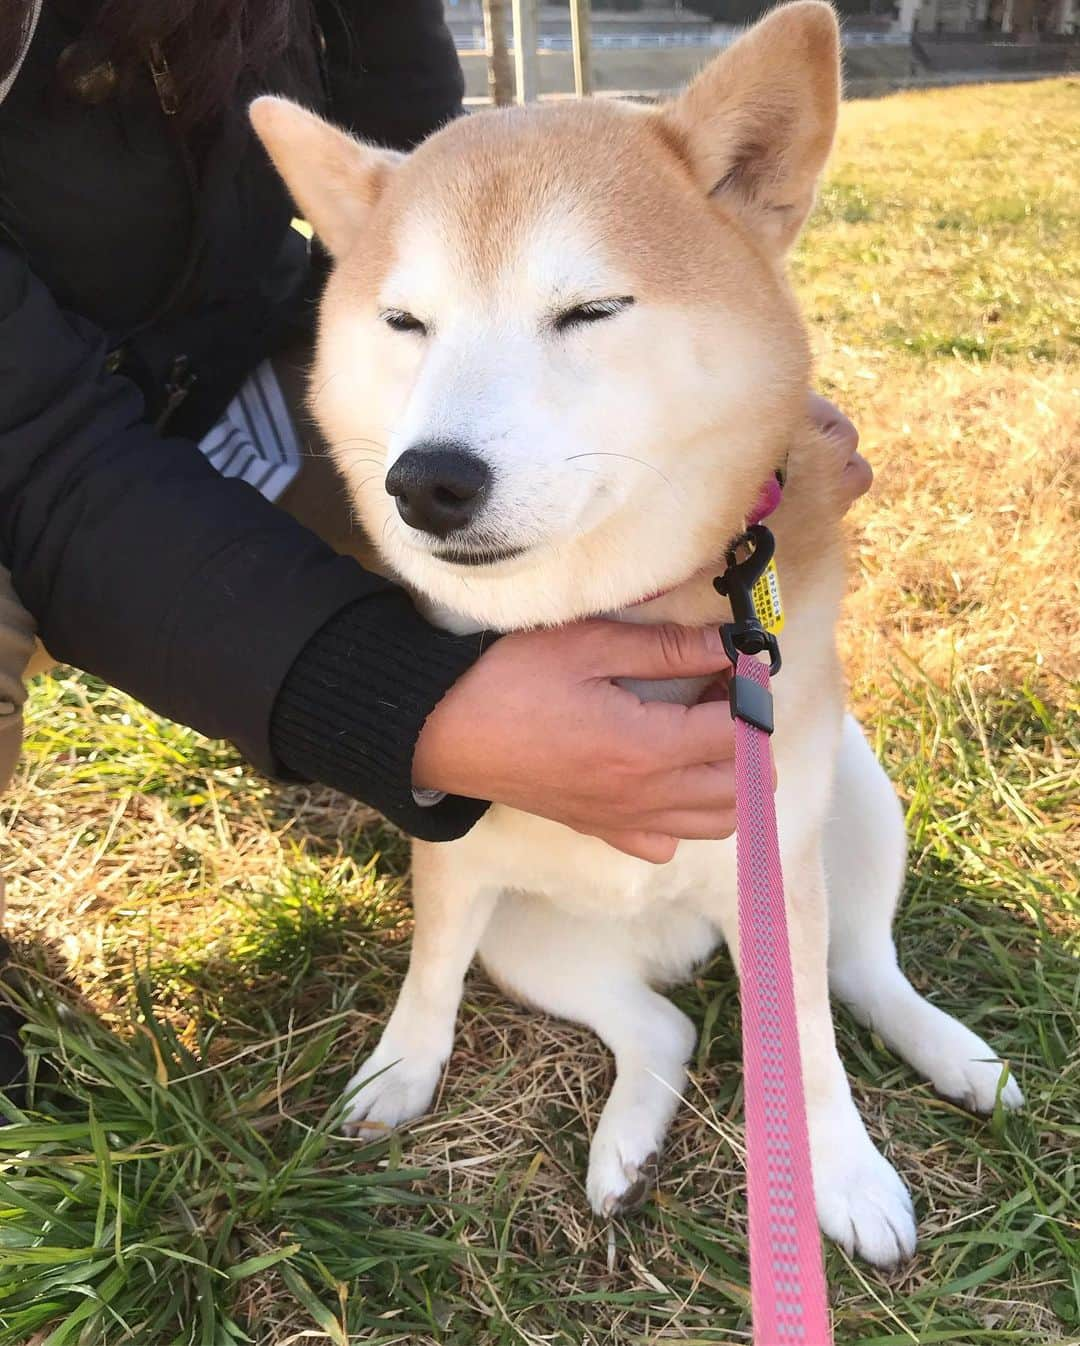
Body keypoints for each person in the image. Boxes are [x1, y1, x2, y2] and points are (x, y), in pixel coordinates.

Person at [0, 1, 870, 1091]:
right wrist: (401, 708)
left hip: (213, 366)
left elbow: (440, 176)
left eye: (588, 310)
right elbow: (34, 453)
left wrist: (723, 393)